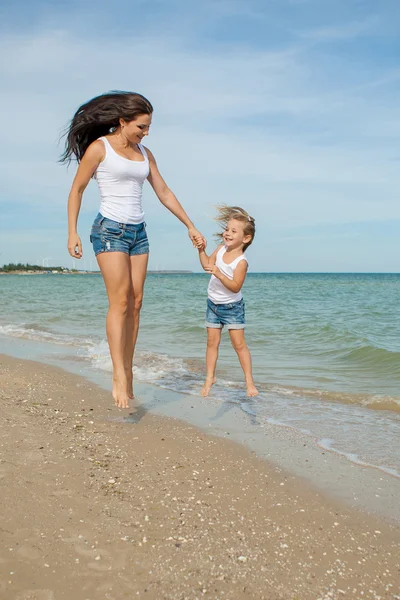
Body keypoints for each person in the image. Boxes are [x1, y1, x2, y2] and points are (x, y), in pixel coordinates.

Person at [62, 91, 204, 409]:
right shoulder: (100, 149)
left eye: (148, 126)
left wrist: (189, 225)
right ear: (123, 122)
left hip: (138, 233)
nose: (146, 132)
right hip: (108, 230)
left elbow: (163, 191)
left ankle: (128, 367)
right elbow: (77, 189)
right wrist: (72, 231)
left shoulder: (144, 152)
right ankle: (117, 374)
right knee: (121, 300)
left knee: (137, 303)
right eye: (141, 126)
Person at [198, 205, 258, 397]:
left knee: (239, 345)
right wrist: (201, 250)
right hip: (213, 305)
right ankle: (210, 377)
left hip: (233, 307)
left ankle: (249, 382)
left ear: (246, 238)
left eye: (233, 231)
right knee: (211, 343)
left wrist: (219, 273)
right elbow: (208, 265)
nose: (227, 233)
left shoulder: (241, 262)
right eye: (227, 229)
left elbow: (235, 286)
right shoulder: (221, 249)